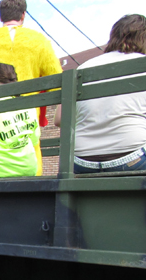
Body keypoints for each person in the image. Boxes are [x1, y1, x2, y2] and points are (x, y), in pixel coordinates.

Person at [0, 0, 62, 174]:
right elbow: (56, 82)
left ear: (1, 17)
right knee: (31, 156)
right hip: (26, 116)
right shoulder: (39, 41)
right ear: (23, 15)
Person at [56, 14, 146, 174]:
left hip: (80, 162)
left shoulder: (82, 68)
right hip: (135, 159)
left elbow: (58, 119)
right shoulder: (142, 63)